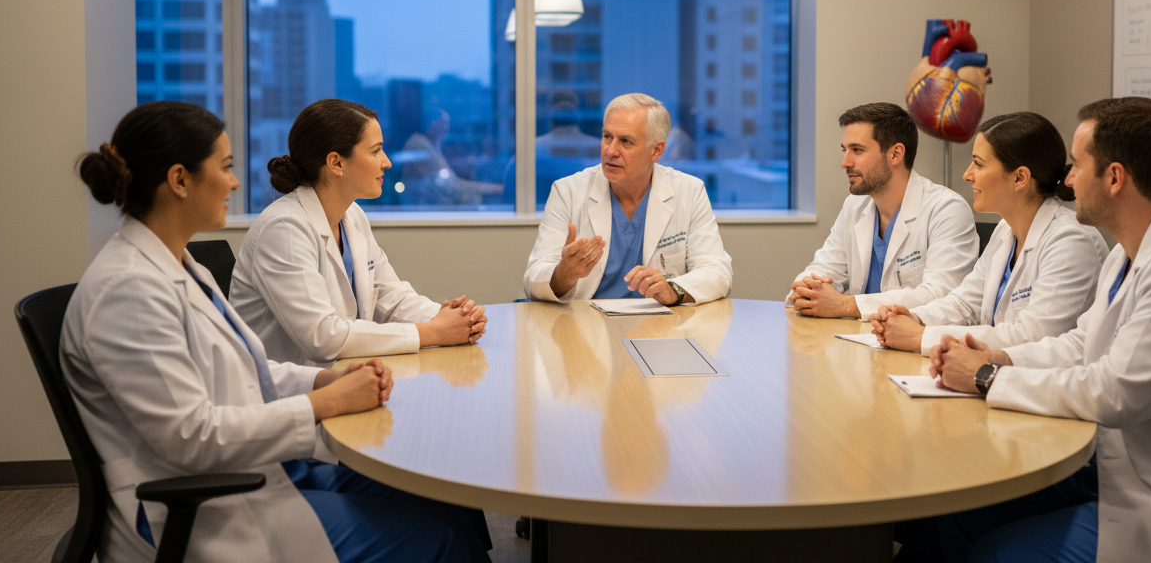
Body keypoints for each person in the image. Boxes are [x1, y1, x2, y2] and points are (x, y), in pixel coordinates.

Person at [63, 101, 491, 563]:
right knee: (438, 538)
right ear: (179, 180)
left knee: (444, 490)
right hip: (197, 507)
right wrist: (324, 402)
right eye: (225, 168)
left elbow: (247, 368)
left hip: (258, 464)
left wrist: (322, 381)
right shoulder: (127, 291)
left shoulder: (179, 265)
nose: (234, 182)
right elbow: (191, 438)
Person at [917, 97, 1151, 563]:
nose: (1067, 178)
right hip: (1136, 470)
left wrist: (986, 378)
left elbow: (1115, 391)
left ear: (1115, 177)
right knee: (960, 508)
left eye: (1078, 166)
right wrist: (1000, 359)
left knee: (996, 551)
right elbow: (1084, 342)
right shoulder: (1129, 252)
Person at [232, 99, 487, 368]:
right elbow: (322, 337)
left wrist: (450, 318)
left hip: (338, 378)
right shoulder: (283, 229)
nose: (387, 162)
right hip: (280, 395)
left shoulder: (351, 215)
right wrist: (434, 331)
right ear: (336, 163)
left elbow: (390, 296)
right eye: (376, 151)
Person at [869, 112, 1108, 354]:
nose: (967, 174)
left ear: (1019, 177)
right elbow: (965, 303)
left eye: (979, 164)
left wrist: (920, 336)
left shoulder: (1071, 241)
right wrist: (913, 317)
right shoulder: (1007, 229)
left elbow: (1030, 337)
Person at [523, 93, 733, 305]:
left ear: (656, 150)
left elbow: (717, 270)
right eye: (607, 137)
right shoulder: (567, 191)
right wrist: (564, 274)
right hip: (587, 324)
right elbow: (534, 278)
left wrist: (674, 289)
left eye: (625, 141)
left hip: (660, 326)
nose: (611, 151)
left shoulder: (690, 191)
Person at [788, 102, 979, 320]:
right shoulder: (855, 206)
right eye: (845, 150)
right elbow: (824, 267)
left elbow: (942, 296)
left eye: (857, 150)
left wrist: (846, 305)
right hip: (862, 341)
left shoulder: (946, 210)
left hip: (918, 348)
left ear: (896, 154)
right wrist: (807, 289)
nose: (845, 162)